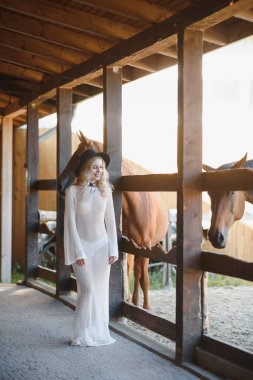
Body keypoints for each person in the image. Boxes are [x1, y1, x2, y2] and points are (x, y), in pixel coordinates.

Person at [64, 149, 118, 347]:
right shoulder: (72, 191)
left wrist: (114, 249)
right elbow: (70, 225)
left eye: (101, 167)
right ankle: (81, 334)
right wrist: (78, 251)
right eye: (94, 167)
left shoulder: (106, 191)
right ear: (86, 169)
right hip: (83, 248)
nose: (98, 171)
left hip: (102, 248)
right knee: (87, 290)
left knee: (100, 291)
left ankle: (97, 331)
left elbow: (111, 222)